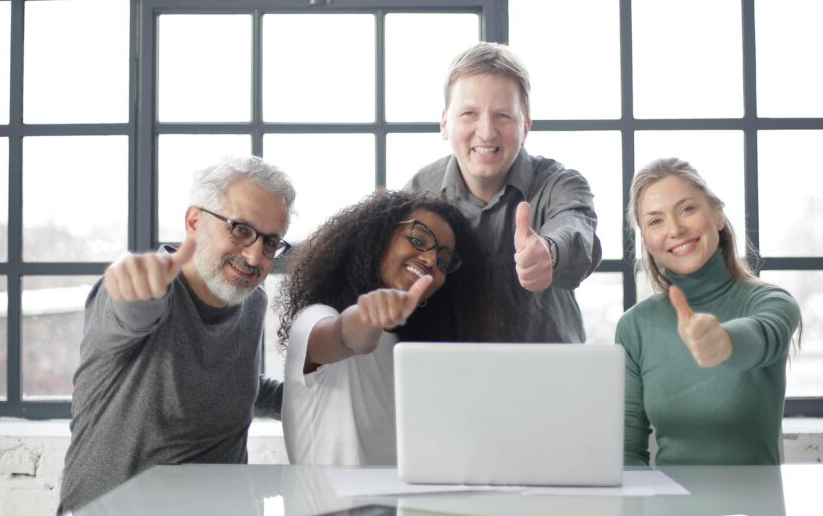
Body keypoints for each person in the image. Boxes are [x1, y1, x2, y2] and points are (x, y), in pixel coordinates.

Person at [58, 156, 295, 511]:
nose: (254, 256)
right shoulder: (145, 291)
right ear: (194, 221)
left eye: (271, 243)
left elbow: (231, 381)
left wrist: (313, 401)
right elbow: (132, 312)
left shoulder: (251, 301)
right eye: (240, 229)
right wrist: (133, 290)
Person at [275, 189, 496, 465]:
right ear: (376, 238)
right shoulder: (314, 318)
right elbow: (346, 336)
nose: (429, 260)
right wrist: (370, 315)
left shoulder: (412, 352)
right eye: (418, 239)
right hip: (331, 507)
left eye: (443, 261)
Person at [407, 41, 601, 343]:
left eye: (503, 116)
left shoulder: (561, 184)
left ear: (526, 125)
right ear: (445, 123)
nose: (486, 131)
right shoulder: (418, 192)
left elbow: (575, 233)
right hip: (451, 379)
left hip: (551, 378)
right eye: (469, 113)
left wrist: (549, 252)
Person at [617, 157, 801, 466]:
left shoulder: (772, 301)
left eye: (687, 209)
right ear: (646, 241)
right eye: (655, 221)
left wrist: (723, 341)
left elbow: (763, 335)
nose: (675, 229)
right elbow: (626, 452)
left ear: (717, 214)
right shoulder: (634, 326)